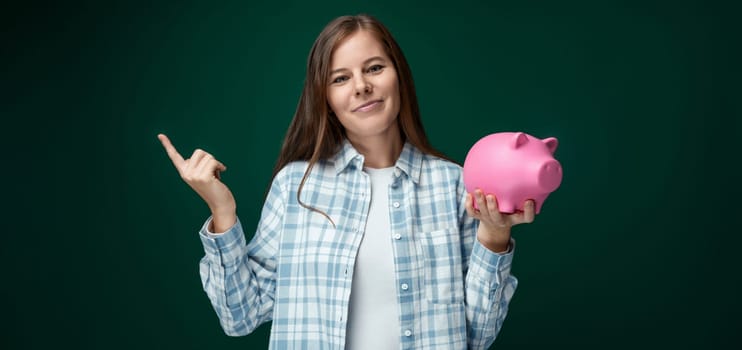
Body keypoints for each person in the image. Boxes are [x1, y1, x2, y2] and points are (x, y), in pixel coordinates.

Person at [158, 14, 536, 350]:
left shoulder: (454, 185)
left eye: (373, 68)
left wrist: (493, 235)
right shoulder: (296, 187)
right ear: (326, 98)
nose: (360, 86)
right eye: (340, 78)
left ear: (398, 75)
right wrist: (221, 211)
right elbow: (240, 317)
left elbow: (477, 336)